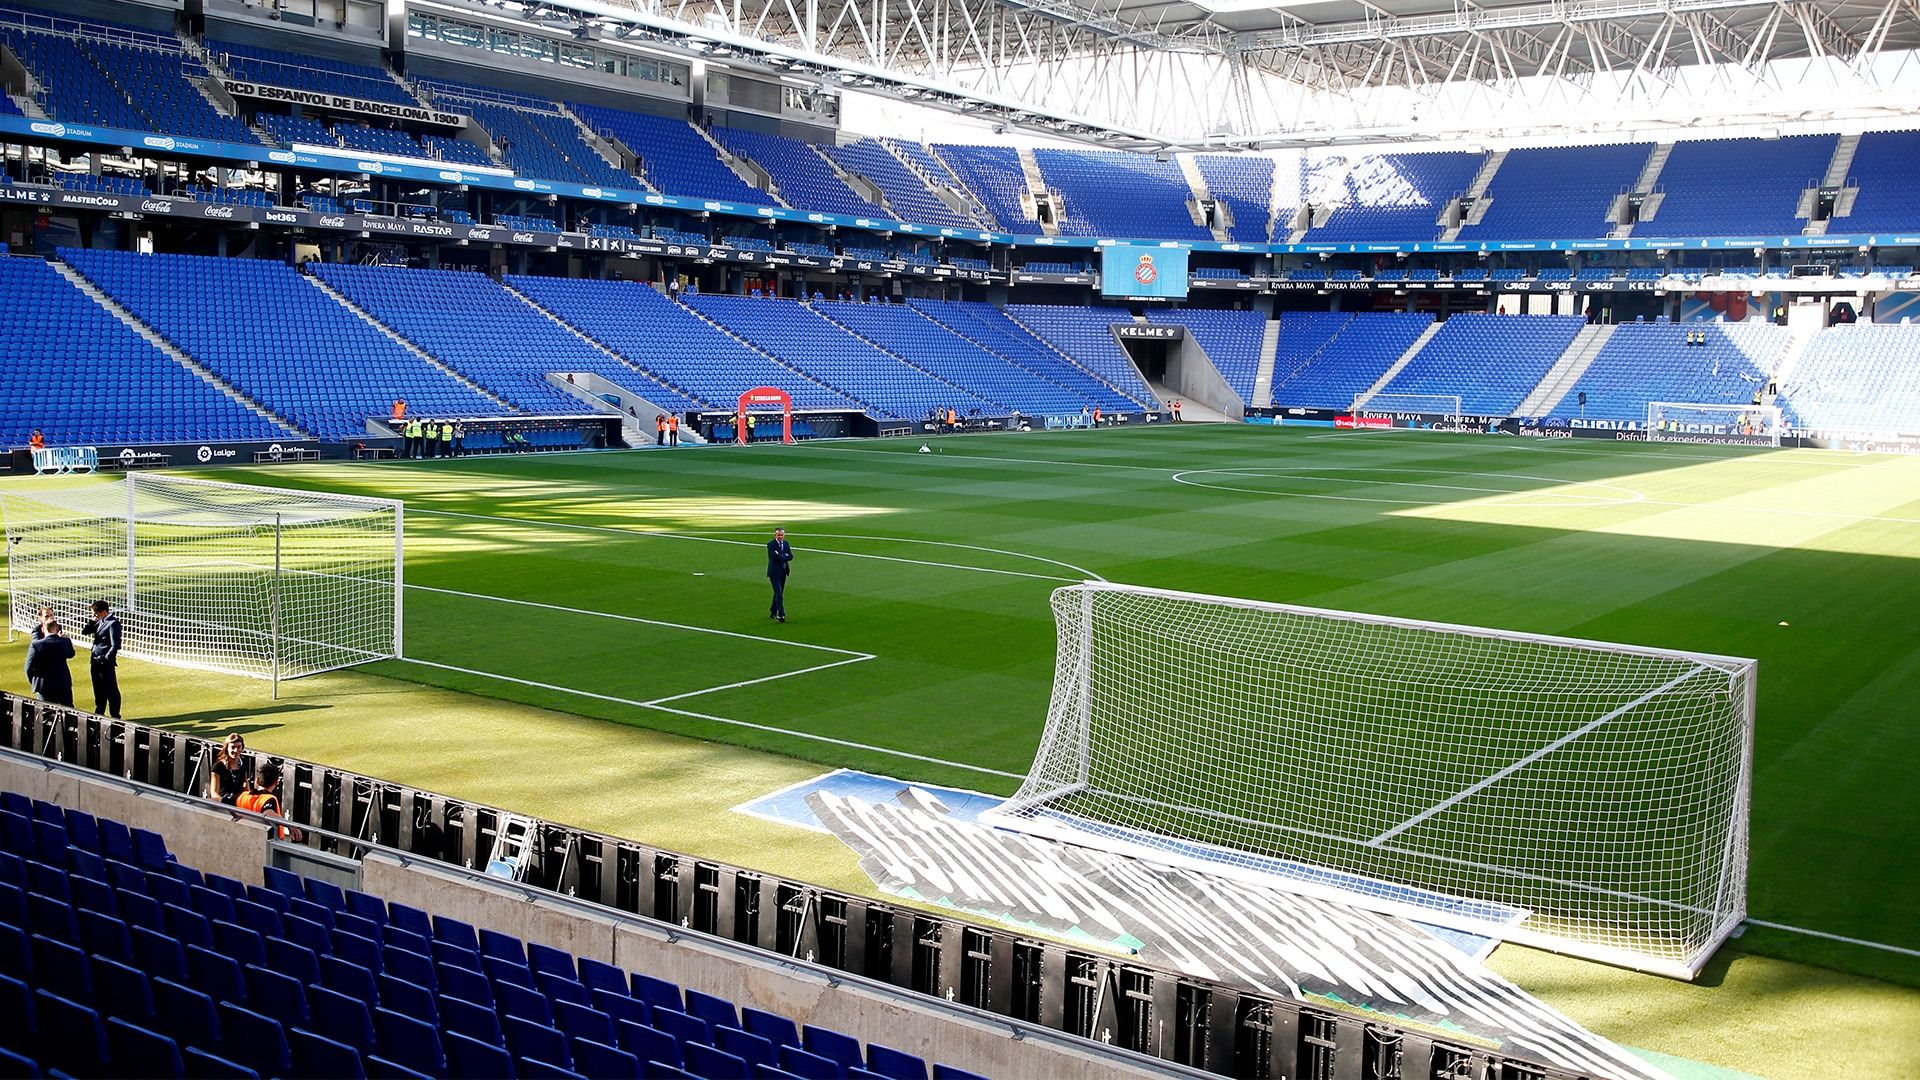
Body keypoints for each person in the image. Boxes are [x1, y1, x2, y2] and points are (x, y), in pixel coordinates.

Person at [237, 760, 302, 841]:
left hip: (242, 838)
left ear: (257, 780)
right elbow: (268, 813)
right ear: (276, 782)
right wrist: (289, 825)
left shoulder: (242, 796)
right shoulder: (269, 799)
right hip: (263, 843)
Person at [81, 600, 122, 718]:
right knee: (98, 689)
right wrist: (92, 621)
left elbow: (115, 645)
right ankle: (99, 712)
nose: (94, 616)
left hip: (105, 664)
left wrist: (106, 658)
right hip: (95, 662)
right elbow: (85, 631)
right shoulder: (99, 621)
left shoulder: (113, 623)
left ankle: (115, 715)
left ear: (104, 612)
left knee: (111, 690)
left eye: (95, 613)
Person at [25, 618, 75, 707]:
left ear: (43, 629)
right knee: (69, 712)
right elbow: (71, 654)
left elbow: (28, 668)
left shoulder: (36, 644)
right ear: (56, 629)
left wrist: (34, 681)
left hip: (44, 685)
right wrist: (68, 640)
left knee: (45, 713)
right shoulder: (65, 642)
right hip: (63, 683)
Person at [207, 732, 252, 806]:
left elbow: (245, 784)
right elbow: (214, 793)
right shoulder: (218, 767)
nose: (236, 750)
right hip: (223, 804)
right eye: (233, 747)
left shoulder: (244, 762)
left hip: (239, 802)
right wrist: (225, 804)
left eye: (238, 747)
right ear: (226, 748)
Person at [766, 528, 792, 623]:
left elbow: (791, 556)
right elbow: (775, 557)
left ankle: (773, 611)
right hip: (774, 573)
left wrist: (782, 556)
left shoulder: (786, 544)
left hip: (783, 572)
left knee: (778, 593)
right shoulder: (771, 544)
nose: (780, 537)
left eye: (782, 535)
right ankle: (780, 614)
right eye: (778, 535)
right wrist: (784, 556)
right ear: (775, 535)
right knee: (779, 593)